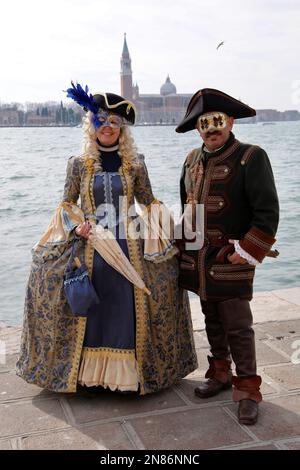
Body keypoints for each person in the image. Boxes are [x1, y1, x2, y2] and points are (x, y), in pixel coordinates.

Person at [16, 83, 197, 395]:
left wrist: (176, 233)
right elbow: (67, 204)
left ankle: (128, 378)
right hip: (90, 241)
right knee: (86, 296)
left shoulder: (136, 162)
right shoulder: (78, 163)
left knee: (128, 300)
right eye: (102, 120)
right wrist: (77, 227)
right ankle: (88, 377)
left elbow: (148, 202)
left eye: (115, 122)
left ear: (122, 128)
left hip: (130, 242)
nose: (109, 127)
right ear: (92, 125)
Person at [175, 88, 279, 424]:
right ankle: (219, 374)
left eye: (217, 121)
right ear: (197, 129)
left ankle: (248, 389)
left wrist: (247, 251)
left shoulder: (251, 156)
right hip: (198, 261)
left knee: (238, 326)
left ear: (230, 122)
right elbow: (185, 209)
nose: (211, 128)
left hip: (232, 259)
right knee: (211, 319)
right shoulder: (190, 160)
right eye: (204, 123)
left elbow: (267, 212)